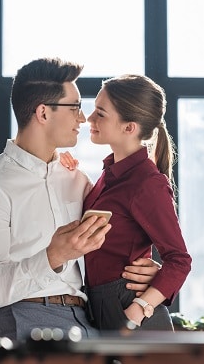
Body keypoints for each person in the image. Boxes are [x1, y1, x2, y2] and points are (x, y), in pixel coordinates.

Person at [0, 58, 160, 342]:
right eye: (75, 107)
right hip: (23, 322)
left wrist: (144, 272)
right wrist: (53, 256)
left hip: (87, 322)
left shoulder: (78, 180)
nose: (83, 118)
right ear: (43, 112)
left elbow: (114, 245)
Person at [61, 74, 192, 331]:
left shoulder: (147, 183)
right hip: (97, 303)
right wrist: (60, 169)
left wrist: (137, 310)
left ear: (129, 127)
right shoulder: (108, 175)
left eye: (101, 113)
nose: (89, 118)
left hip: (129, 310)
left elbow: (179, 260)